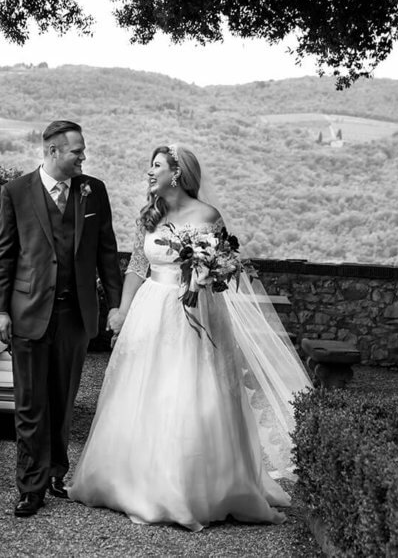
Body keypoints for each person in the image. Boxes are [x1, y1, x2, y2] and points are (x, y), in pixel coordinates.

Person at [68, 144, 314, 531]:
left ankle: (200, 487)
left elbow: (225, 269)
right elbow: (136, 266)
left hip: (197, 312)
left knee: (193, 391)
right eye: (151, 166)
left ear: (177, 174)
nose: (150, 172)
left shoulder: (208, 216)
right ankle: (132, 480)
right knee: (143, 391)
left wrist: (205, 276)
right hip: (151, 308)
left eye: (157, 166)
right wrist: (122, 310)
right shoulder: (150, 216)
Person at [0, 120, 124, 518]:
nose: (84, 156)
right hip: (28, 314)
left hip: (75, 315)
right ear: (52, 152)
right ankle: (30, 487)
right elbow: (4, 255)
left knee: (63, 401)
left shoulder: (93, 190)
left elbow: (106, 253)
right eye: (77, 151)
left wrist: (117, 306)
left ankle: (55, 472)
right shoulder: (15, 192)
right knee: (31, 405)